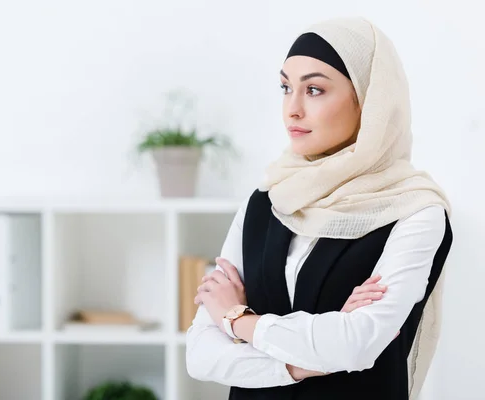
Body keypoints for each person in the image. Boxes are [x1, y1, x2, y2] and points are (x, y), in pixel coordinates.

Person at [185, 16, 454, 400]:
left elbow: (356, 344)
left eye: (313, 89)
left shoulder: (415, 211)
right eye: (285, 87)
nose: (291, 109)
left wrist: (237, 320)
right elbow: (200, 356)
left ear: (369, 101)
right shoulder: (267, 200)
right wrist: (303, 362)